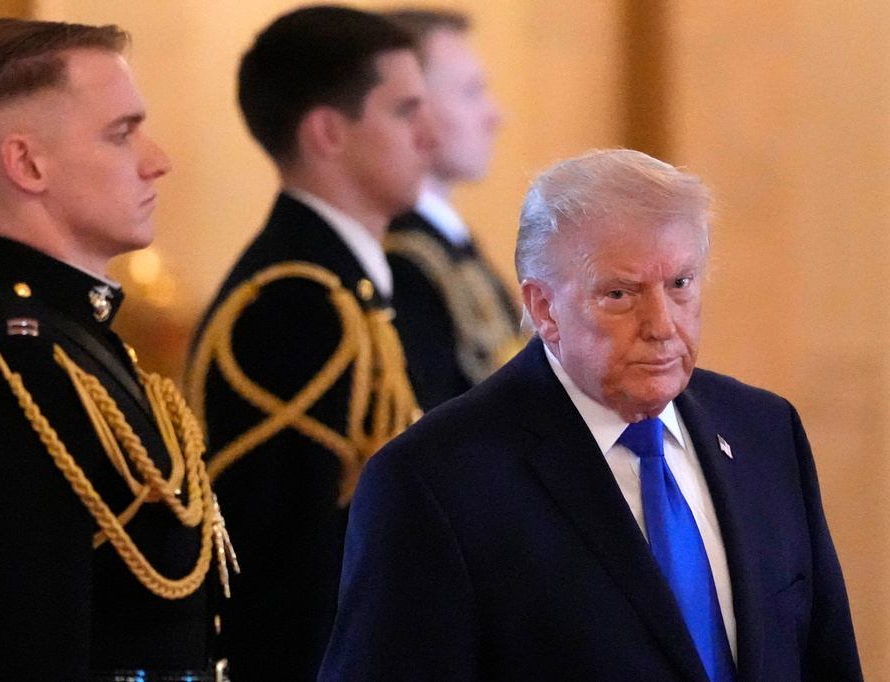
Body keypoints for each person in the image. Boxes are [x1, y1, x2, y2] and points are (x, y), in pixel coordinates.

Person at [320, 149, 863, 681]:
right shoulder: (435, 482)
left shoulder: (765, 432)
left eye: (680, 284)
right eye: (621, 294)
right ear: (543, 308)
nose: (662, 325)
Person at [0, 18, 235, 682]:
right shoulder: (6, 376)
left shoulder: (78, 347)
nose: (156, 158)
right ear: (27, 163)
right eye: (121, 133)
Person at [184, 6, 433, 681]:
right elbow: (291, 571)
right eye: (407, 111)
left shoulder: (347, 285)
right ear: (328, 132)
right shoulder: (296, 303)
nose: (430, 136)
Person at [382, 8, 525, 410]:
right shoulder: (407, 260)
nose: (495, 116)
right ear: (413, 109)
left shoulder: (445, 244)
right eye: (471, 92)